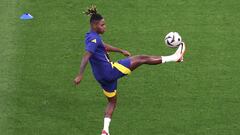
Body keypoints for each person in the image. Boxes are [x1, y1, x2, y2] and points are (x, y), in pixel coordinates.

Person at [74, 5, 186, 135]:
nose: (105, 27)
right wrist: (80, 75)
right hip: (109, 71)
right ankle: (175, 57)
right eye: (102, 25)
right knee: (142, 58)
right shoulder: (94, 40)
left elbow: (102, 46)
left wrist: (120, 50)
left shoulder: (90, 36)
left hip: (101, 78)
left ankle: (105, 131)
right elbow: (86, 55)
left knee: (112, 102)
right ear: (94, 25)